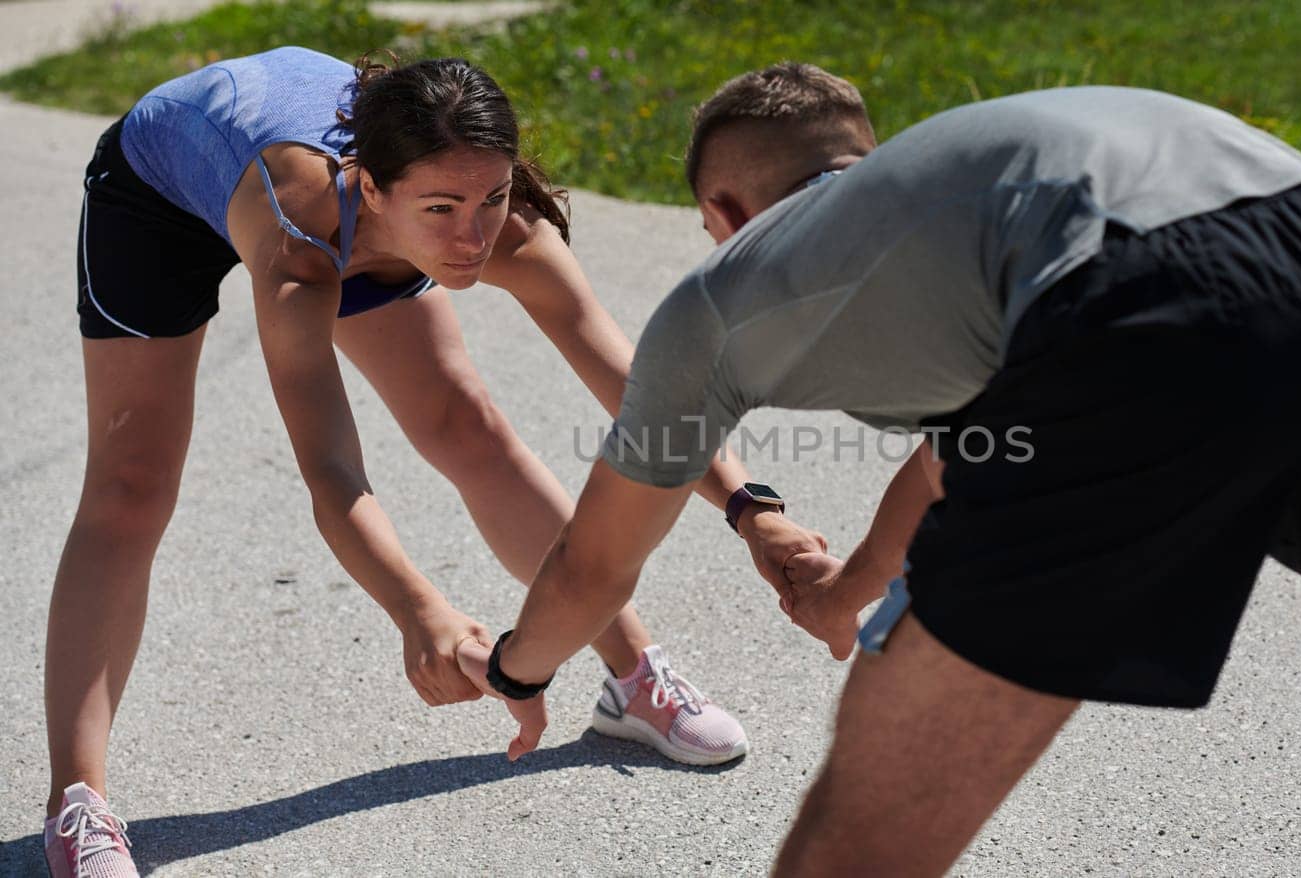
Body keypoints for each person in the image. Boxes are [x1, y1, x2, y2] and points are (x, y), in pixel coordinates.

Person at [466, 64, 1301, 876]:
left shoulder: (726, 293)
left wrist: (515, 671)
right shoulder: (959, 188)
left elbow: (595, 566)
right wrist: (853, 587)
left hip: (1138, 304)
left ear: (729, 214)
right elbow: (972, 436)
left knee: (866, 824)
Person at [46, 47, 827, 878]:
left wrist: (754, 513)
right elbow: (332, 474)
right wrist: (418, 609)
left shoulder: (495, 223)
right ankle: (76, 801)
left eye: (489, 199)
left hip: (363, 224)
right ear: (374, 187)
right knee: (131, 489)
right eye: (445, 208)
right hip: (160, 201)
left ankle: (632, 678)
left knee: (466, 422)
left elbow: (647, 393)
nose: (471, 238)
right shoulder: (305, 249)